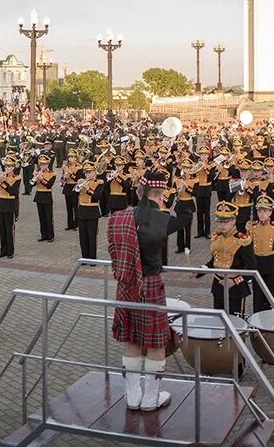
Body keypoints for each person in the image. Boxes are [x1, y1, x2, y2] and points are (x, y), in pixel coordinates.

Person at [108, 169, 184, 413]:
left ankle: (132, 397)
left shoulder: (120, 217)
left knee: (131, 338)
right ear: (161, 194)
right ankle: (150, 399)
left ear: (139, 191)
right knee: (155, 343)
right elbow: (185, 216)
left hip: (126, 283)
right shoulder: (164, 220)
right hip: (150, 283)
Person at [249, 194, 274, 312]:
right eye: (260, 211)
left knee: (271, 294)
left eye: (265, 211)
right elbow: (248, 248)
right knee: (257, 294)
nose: (262, 214)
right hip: (257, 262)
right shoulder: (252, 227)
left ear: (270, 212)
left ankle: (272, 318)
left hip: (270, 262)